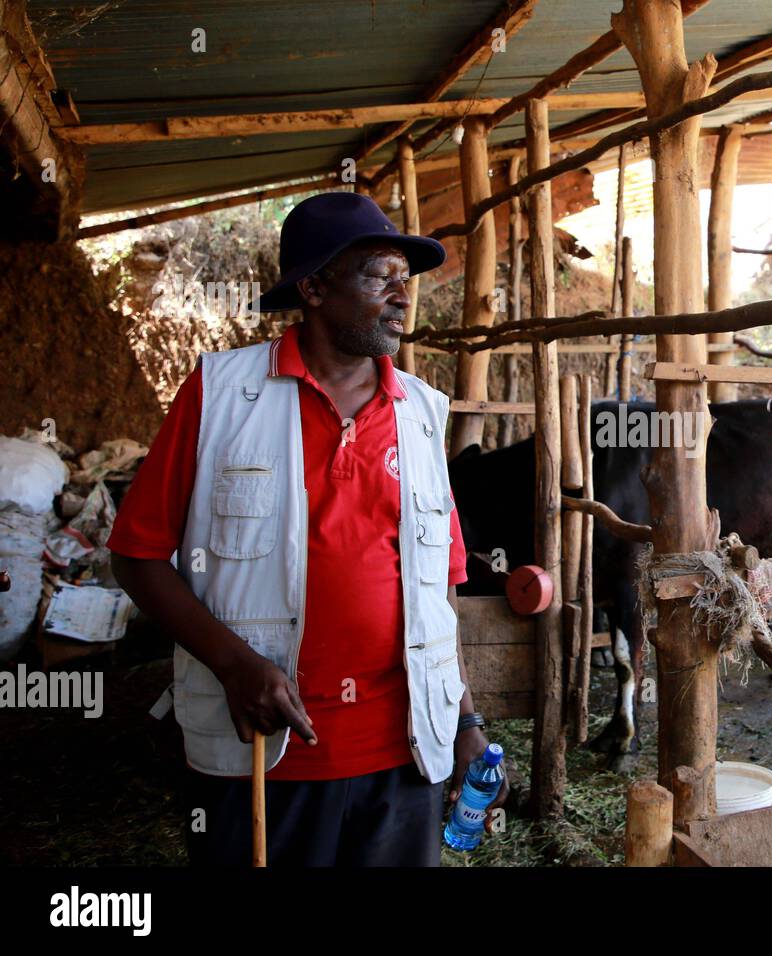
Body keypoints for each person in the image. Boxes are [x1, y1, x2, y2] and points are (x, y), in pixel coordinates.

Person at [109, 191, 506, 866]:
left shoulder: (421, 413)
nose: (402, 297)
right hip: (262, 755)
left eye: (404, 281)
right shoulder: (221, 394)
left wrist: (466, 721)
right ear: (315, 287)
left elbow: (439, 592)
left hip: (406, 754)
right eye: (379, 277)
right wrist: (235, 665)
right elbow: (136, 556)